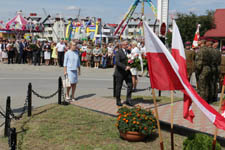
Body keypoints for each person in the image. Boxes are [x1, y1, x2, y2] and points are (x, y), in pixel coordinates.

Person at [114, 41, 133, 106]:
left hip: (127, 72)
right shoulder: (118, 52)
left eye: (127, 44)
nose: (127, 45)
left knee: (130, 85)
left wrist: (133, 64)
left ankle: (128, 99)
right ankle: (118, 100)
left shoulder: (129, 52)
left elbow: (131, 59)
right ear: (122, 45)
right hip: (120, 72)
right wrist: (125, 67)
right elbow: (117, 62)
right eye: (126, 44)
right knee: (118, 87)